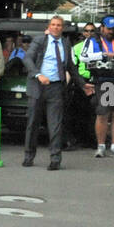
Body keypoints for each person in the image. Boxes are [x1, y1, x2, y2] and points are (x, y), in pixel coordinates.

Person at [22, 16, 94, 170]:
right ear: (49, 27)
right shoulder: (40, 41)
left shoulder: (66, 43)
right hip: (38, 85)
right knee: (33, 123)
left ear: (62, 28)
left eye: (59, 25)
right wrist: (38, 74)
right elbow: (27, 59)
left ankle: (55, 159)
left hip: (56, 87)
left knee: (55, 125)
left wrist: (82, 84)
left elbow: (71, 67)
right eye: (53, 25)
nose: (56, 27)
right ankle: (29, 155)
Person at [80, 15, 114, 159]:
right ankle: (101, 146)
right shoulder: (93, 40)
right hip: (105, 80)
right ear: (102, 27)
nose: (111, 31)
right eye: (108, 29)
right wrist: (103, 54)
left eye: (113, 29)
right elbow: (84, 57)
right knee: (103, 113)